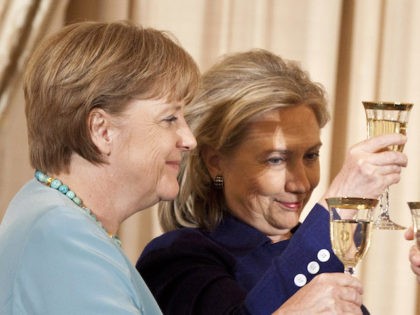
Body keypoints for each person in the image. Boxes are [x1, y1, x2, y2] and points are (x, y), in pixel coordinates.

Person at [136, 49, 408, 315]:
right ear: (214, 161)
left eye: (311, 155)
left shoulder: (321, 251)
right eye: (276, 160)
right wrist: (339, 203)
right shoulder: (178, 257)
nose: (301, 183)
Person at [0, 21, 200, 314]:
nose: (189, 140)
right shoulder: (60, 237)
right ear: (102, 131)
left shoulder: (53, 217)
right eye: (170, 119)